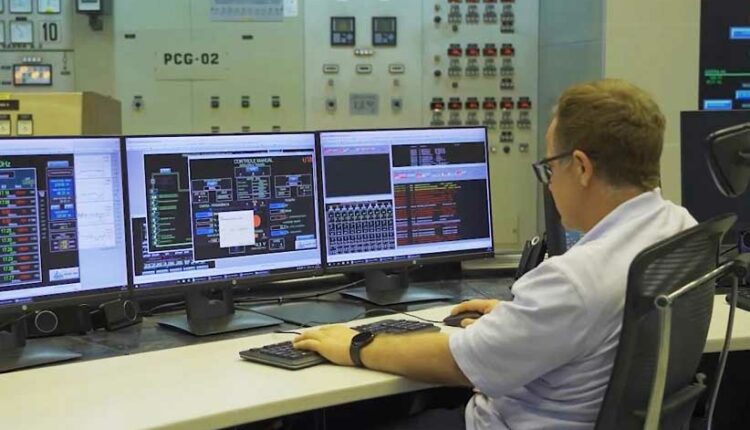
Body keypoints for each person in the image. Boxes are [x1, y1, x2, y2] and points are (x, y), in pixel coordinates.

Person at [293, 79, 697, 429]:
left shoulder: (573, 280)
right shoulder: (679, 227)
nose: (550, 184)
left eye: (549, 168)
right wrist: (520, 317)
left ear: (582, 168)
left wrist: (354, 343)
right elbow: (589, 323)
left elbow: (458, 363)